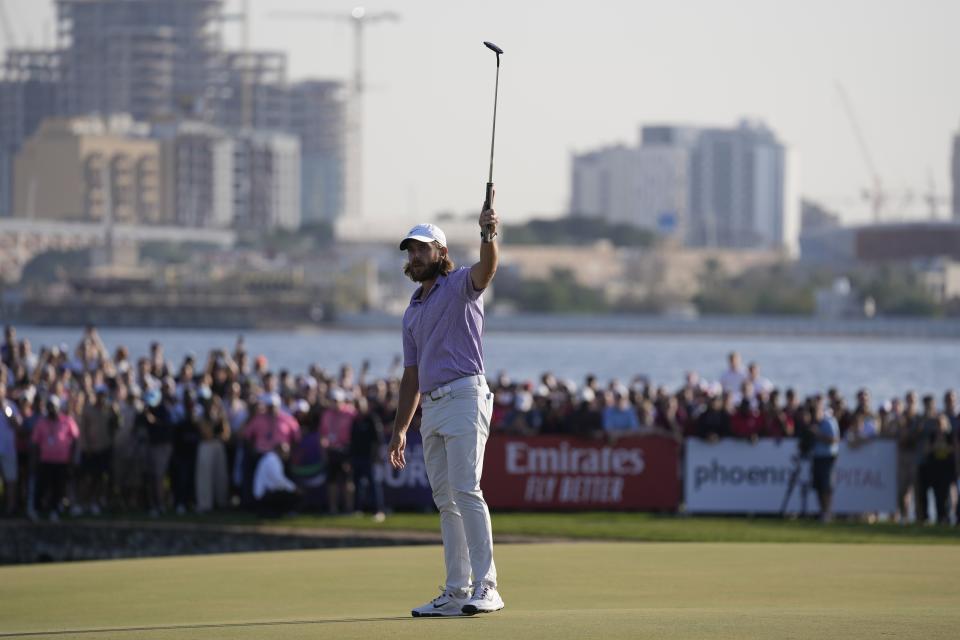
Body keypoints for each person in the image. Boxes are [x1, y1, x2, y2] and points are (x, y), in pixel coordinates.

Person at [388, 202, 505, 618]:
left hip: (465, 396)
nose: (414, 257)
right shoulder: (412, 311)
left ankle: (486, 586)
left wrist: (488, 234)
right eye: (410, 251)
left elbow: (487, 269)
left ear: (440, 251)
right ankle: (456, 591)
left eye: (421, 249)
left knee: (466, 490)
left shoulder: (459, 285)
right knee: (446, 500)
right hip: (432, 409)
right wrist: (401, 427)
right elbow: (411, 375)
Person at [30, 396, 79, 522]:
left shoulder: (67, 420)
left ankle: (54, 510)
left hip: (62, 461)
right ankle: (37, 510)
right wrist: (35, 460)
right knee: (42, 486)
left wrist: (72, 458)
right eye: (50, 407)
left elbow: (75, 439)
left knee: (58, 487)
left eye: (54, 407)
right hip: (45, 460)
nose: (52, 410)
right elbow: (35, 443)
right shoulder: (41, 422)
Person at [811, 396, 840, 523]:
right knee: (818, 487)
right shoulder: (814, 423)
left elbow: (834, 440)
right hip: (816, 457)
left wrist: (818, 434)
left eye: (816, 410)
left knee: (826, 487)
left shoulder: (829, 421)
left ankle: (828, 513)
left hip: (828, 458)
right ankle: (822, 512)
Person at [253, 441, 299, 517]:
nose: (287, 454)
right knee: (291, 494)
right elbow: (278, 480)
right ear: (278, 450)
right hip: (264, 496)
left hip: (265, 494)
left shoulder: (272, 458)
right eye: (285, 452)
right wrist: (294, 488)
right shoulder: (272, 459)